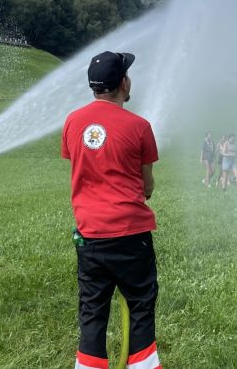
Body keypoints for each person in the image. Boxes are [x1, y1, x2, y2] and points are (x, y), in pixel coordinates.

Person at [62, 51, 162, 369]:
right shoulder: (140, 126)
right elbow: (147, 186)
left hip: (87, 233)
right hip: (131, 233)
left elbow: (81, 167)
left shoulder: (72, 122)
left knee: (92, 309)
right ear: (123, 83)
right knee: (140, 306)